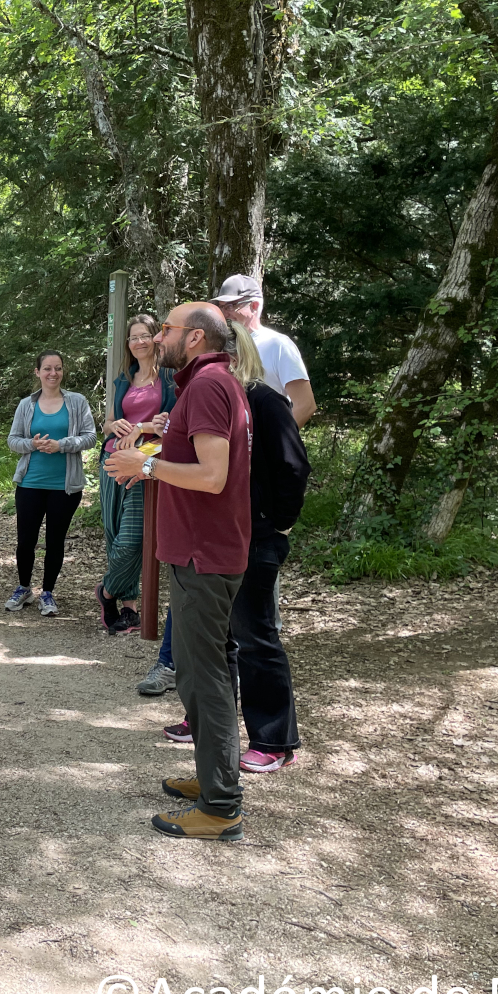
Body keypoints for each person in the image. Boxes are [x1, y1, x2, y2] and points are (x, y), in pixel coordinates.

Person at [106, 302, 251, 842]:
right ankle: (214, 778)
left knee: (203, 675)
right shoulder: (206, 384)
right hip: (200, 553)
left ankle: (221, 805)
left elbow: (213, 476)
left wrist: (145, 464)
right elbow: (194, 457)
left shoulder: (211, 385)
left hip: (204, 556)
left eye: (166, 328)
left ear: (193, 338)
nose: (158, 335)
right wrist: (148, 451)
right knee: (202, 672)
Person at [224, 321, 310, 772]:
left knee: (256, 636)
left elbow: (293, 466)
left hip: (257, 536)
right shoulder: (218, 402)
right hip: (221, 535)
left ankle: (274, 741)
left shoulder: (264, 400)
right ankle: (214, 724)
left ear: (233, 357)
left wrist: (277, 523)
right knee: (222, 637)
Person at [98, 315, 177, 639]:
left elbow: (171, 423)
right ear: (128, 345)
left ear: (156, 338)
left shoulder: (170, 378)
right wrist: (113, 425)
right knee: (114, 532)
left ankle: (106, 591)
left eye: (145, 335)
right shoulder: (123, 378)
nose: (140, 342)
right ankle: (128, 608)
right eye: (133, 338)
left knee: (134, 538)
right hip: (113, 457)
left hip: (147, 459)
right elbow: (108, 423)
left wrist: (142, 428)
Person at [5, 350, 97, 617]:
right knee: (26, 541)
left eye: (57, 368)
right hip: (30, 482)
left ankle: (47, 592)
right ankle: (24, 588)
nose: (53, 373)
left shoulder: (77, 402)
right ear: (38, 372)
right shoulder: (26, 405)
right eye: (47, 368)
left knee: (55, 541)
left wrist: (61, 445)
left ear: (63, 371)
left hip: (64, 486)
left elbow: (90, 437)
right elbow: (13, 441)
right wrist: (31, 444)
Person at [212, 274, 316, 428]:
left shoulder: (278, 345)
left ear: (254, 306)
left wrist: (277, 442)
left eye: (230, 306)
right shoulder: (220, 345)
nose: (224, 313)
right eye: (221, 307)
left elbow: (305, 405)